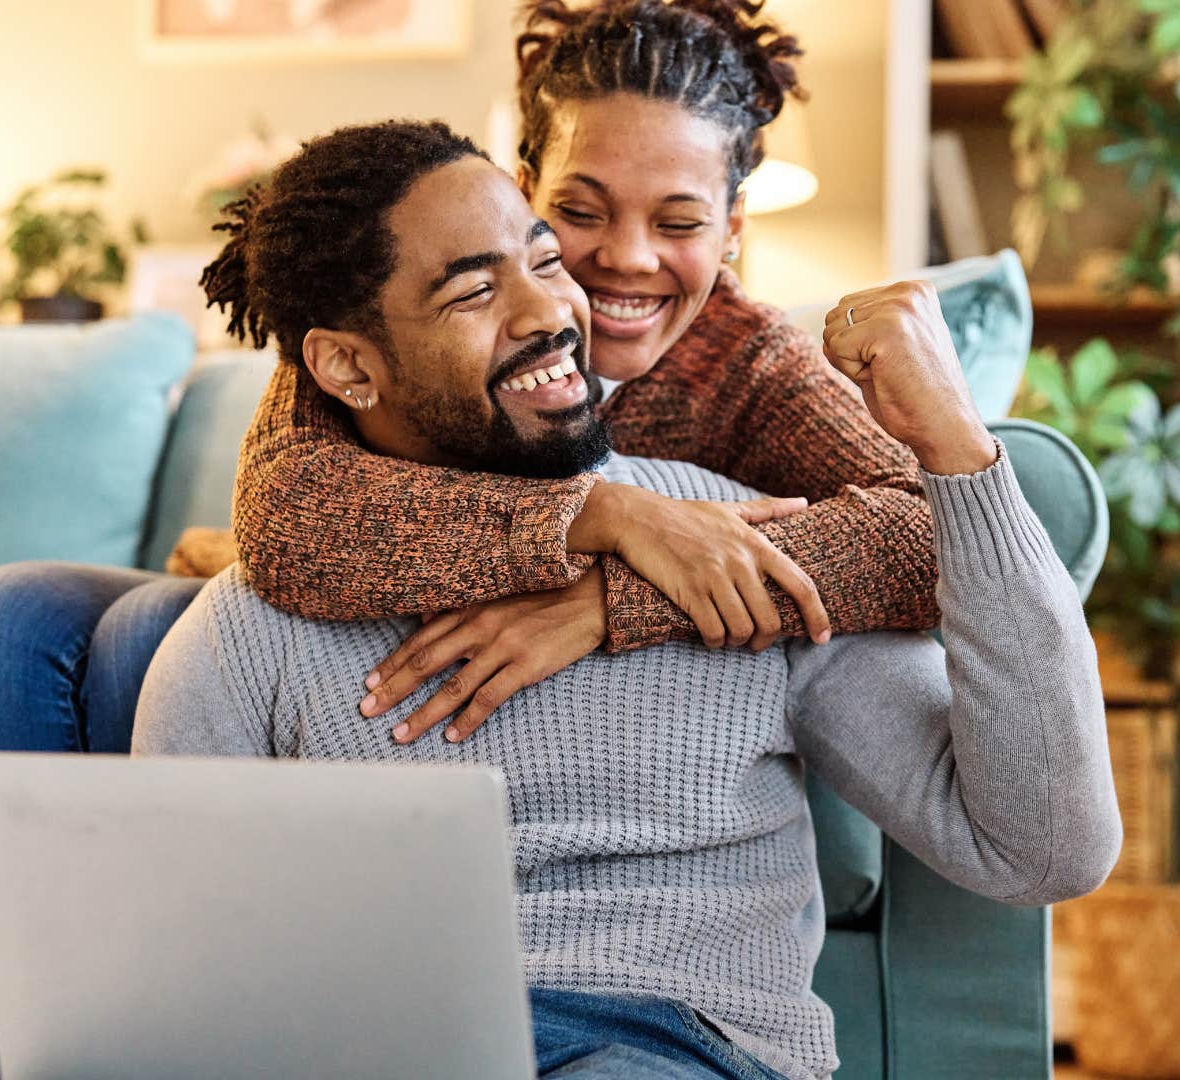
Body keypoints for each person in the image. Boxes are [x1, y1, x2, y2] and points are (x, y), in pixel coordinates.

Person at [132, 117, 1119, 1080]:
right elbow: (174, 980)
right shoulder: (260, 614)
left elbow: (1043, 851)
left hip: (673, 1047)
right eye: (476, 291)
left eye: (542, 258)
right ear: (348, 365)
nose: (553, 312)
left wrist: (959, 451)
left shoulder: (749, 552)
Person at [0, 0, 933, 898]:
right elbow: (289, 519)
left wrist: (613, 599)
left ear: (731, 229)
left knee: (146, 640)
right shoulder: (405, 328)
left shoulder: (750, 362)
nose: (624, 258)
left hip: (540, 700)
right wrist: (613, 516)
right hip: (340, 615)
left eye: (677, 222)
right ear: (521, 189)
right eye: (575, 215)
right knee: (5, 619)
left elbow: (934, 538)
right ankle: (78, 998)